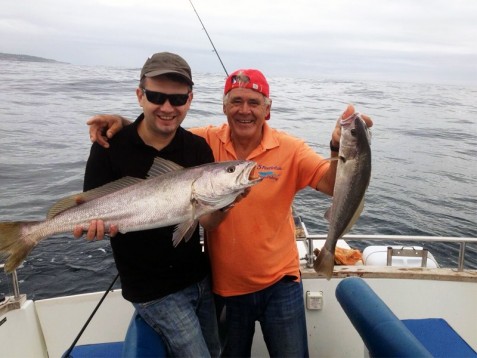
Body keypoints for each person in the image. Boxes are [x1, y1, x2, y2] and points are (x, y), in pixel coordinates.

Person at [84, 69, 373, 357]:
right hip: (226, 288)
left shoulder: (291, 148)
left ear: (268, 109)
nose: (244, 110)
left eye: (254, 102)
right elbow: (161, 131)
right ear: (223, 106)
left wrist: (342, 147)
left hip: (281, 284)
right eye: (236, 102)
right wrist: (121, 123)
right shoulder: (204, 141)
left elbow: (333, 185)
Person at [79, 52, 222, 357]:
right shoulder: (108, 146)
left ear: (190, 99)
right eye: (156, 96)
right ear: (139, 95)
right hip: (151, 291)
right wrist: (95, 228)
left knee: (216, 351)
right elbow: (88, 207)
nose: (167, 107)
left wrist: (227, 199)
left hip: (198, 278)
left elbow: (209, 222)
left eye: (178, 99)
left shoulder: (196, 148)